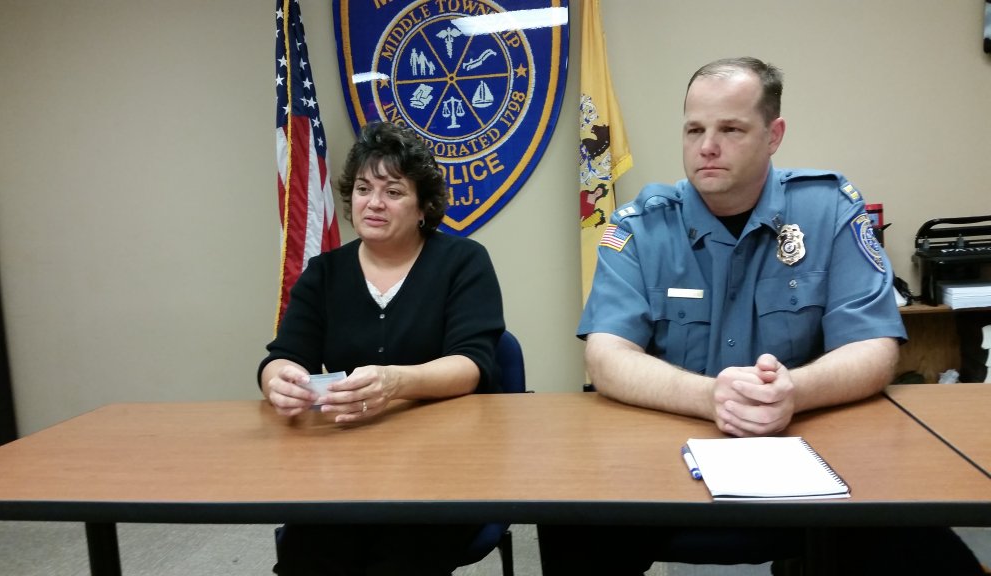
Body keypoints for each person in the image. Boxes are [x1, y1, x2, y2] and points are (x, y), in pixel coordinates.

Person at [538, 57, 984, 575]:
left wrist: (794, 391)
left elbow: (874, 347)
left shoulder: (830, 211)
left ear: (774, 135)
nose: (707, 146)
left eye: (730, 128)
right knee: (568, 517)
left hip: (810, 457)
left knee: (924, 545)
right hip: (664, 459)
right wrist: (711, 397)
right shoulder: (641, 226)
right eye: (694, 129)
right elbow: (607, 356)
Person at [258, 121, 505, 576]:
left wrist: (395, 382)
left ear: (423, 208)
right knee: (309, 554)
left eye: (393, 191)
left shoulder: (463, 262)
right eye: (364, 188)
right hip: (346, 459)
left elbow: (471, 365)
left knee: (399, 558)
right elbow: (284, 355)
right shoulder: (324, 272)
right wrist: (281, 381)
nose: (373, 202)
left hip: (442, 461)